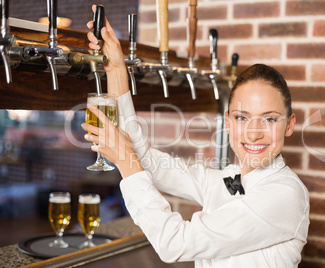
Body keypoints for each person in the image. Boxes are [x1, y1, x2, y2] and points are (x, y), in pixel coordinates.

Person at [82, 6, 309, 267]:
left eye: (269, 119)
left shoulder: (285, 194)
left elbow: (174, 243)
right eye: (241, 117)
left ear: (290, 125)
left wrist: (125, 159)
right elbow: (142, 158)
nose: (254, 133)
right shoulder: (229, 178)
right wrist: (116, 70)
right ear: (228, 123)